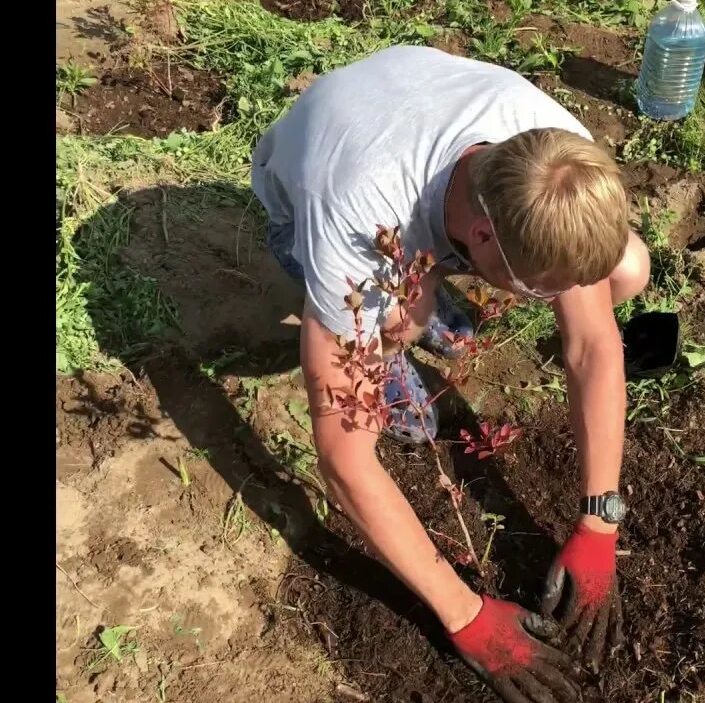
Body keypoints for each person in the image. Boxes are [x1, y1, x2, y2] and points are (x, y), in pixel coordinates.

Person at [250, 45, 650, 703]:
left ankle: (429, 298)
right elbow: (342, 458)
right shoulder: (353, 225)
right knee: (401, 395)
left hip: (421, 158)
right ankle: (410, 307)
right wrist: (465, 615)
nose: (547, 304)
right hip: (307, 204)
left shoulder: (558, 162)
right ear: (485, 236)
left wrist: (599, 521)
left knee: (625, 269)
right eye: (538, 290)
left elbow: (591, 347)